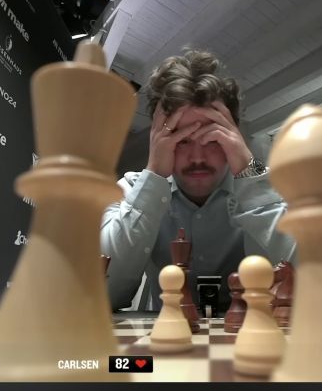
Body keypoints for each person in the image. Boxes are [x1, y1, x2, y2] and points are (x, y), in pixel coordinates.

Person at [101, 49, 296, 311]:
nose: (197, 157)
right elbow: (102, 294)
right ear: (156, 137)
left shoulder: (273, 186)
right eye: (181, 139)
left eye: (212, 137)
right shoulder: (129, 190)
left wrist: (250, 171)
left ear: (234, 133)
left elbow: (307, 285)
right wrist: (154, 173)